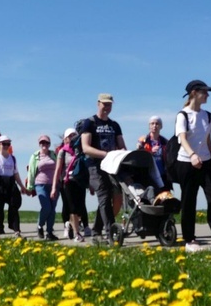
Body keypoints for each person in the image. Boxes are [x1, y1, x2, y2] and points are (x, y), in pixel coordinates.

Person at [173, 80, 211, 252]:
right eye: (205, 92)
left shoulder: (207, 115)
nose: (207, 95)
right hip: (186, 162)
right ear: (194, 93)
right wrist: (192, 155)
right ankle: (189, 241)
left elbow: (207, 141)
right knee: (189, 201)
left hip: (206, 162)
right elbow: (182, 139)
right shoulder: (182, 115)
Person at [81, 93, 126, 245]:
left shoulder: (115, 125)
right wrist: (106, 154)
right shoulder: (90, 123)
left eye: (109, 104)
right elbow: (86, 148)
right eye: (104, 104)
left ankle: (96, 232)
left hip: (112, 166)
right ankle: (111, 233)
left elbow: (122, 146)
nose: (107, 107)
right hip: (95, 166)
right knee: (104, 196)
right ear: (98, 103)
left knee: (114, 197)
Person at [52, 128, 88, 243]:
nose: (73, 137)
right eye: (70, 135)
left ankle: (71, 226)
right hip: (67, 182)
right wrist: (54, 187)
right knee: (72, 208)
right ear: (66, 138)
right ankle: (77, 233)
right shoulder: (62, 151)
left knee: (80, 207)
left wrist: (90, 184)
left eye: (74, 135)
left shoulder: (81, 151)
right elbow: (57, 170)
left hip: (80, 182)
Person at [0, 135, 29, 238]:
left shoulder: (12, 158)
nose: (6, 146)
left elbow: (16, 174)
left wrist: (22, 187)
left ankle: (16, 230)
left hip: (11, 183)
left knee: (14, 206)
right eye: (4, 144)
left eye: (8, 144)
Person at [27, 134, 59, 240]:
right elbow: (31, 171)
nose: (44, 144)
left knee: (52, 209)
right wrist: (30, 187)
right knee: (46, 207)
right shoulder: (35, 156)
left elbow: (59, 168)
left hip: (54, 185)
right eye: (42, 142)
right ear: (39, 144)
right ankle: (40, 226)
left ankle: (49, 232)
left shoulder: (54, 154)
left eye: (46, 143)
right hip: (40, 184)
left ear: (49, 144)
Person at [136, 116, 171, 190]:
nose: (154, 126)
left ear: (161, 126)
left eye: (157, 124)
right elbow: (139, 155)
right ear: (149, 126)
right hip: (148, 174)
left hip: (162, 174)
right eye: (152, 123)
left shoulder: (165, 142)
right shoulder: (143, 140)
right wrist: (150, 152)